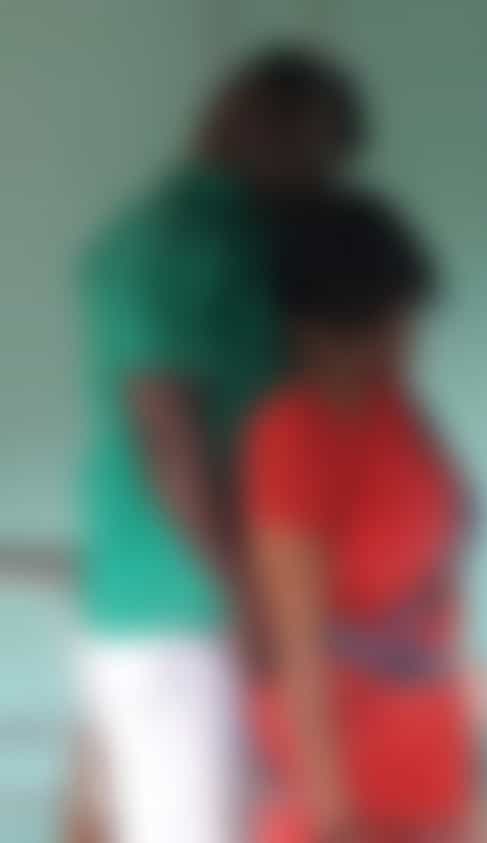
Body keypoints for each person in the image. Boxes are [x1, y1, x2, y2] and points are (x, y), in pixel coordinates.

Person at [76, 46, 363, 843]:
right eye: (315, 151)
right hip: (182, 616)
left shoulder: (244, 241)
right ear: (246, 115)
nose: (320, 182)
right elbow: (167, 429)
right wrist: (247, 595)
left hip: (220, 606)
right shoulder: (172, 239)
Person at [244, 192, 473, 841]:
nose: (401, 342)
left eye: (403, 322)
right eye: (380, 325)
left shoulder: (397, 409)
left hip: (426, 733)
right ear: (312, 326)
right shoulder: (292, 433)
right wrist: (332, 815)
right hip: (343, 759)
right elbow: (297, 641)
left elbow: (439, 546)